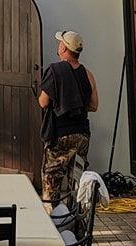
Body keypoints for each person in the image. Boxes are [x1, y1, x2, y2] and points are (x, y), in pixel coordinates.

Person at [38, 30, 99, 208]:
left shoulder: (54, 70)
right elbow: (94, 106)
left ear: (64, 48)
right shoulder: (88, 74)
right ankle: (78, 223)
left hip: (60, 135)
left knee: (51, 179)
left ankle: (53, 222)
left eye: (60, 43)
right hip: (82, 135)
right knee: (77, 182)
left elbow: (43, 102)